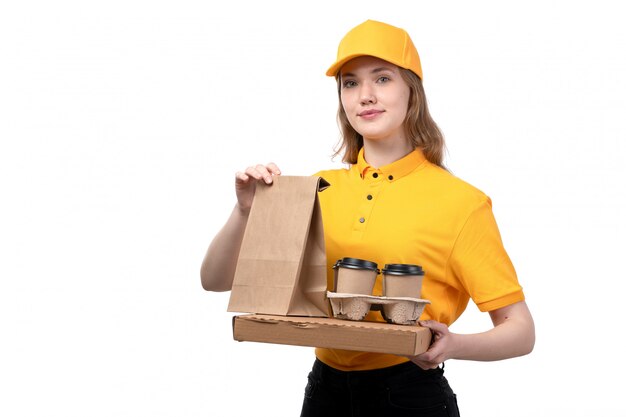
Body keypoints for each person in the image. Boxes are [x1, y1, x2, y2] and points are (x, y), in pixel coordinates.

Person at [201, 19, 535, 417]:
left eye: (382, 78)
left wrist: (454, 346)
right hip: (323, 392)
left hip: (409, 396)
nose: (365, 96)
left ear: (412, 90)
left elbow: (520, 330)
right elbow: (215, 281)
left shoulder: (461, 202)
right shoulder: (316, 188)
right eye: (351, 83)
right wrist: (244, 211)